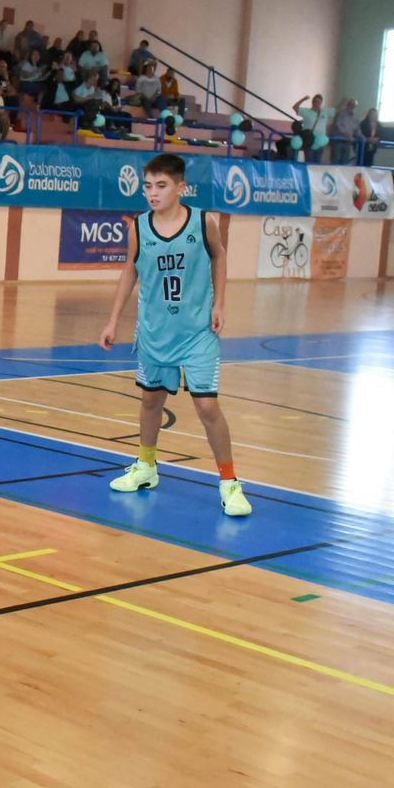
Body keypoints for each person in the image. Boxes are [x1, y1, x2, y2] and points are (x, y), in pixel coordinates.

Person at [99, 153, 251, 517]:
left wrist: (220, 303)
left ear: (181, 187)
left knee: (206, 406)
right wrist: (113, 319)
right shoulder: (139, 226)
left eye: (161, 186)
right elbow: (129, 271)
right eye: (147, 186)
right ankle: (146, 467)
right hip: (154, 332)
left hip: (197, 331)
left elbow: (219, 256)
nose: (152, 193)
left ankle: (230, 483)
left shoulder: (203, 222)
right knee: (151, 402)